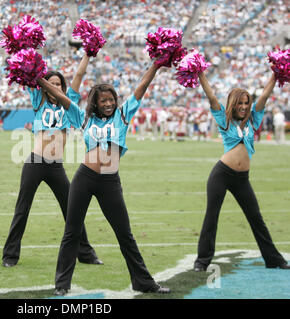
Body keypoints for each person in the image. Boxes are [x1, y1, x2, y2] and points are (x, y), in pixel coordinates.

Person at [38, 62, 171, 296]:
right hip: (85, 178)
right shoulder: (82, 117)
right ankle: (61, 285)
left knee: (125, 234)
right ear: (95, 103)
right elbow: (60, 94)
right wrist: (36, 78)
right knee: (72, 232)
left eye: (111, 99)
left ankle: (143, 282)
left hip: (110, 181)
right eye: (103, 101)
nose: (108, 104)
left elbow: (142, 86)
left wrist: (156, 65)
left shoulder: (123, 114)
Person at [2, 54, 102, 267]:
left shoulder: (69, 103)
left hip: (56, 166)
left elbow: (79, 74)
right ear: (45, 86)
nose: (55, 87)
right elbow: (30, 73)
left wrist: (88, 53)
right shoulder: (38, 100)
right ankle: (10, 256)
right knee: (22, 209)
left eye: (59, 84)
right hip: (35, 163)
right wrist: (22, 51)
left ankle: (86, 254)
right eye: (51, 83)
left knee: (71, 209)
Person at [193, 71, 289, 271]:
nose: (244, 107)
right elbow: (211, 96)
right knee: (212, 216)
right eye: (240, 103)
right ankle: (202, 262)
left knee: (256, 217)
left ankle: (274, 260)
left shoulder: (254, 119)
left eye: (246, 103)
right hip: (221, 175)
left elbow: (263, 97)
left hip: (242, 179)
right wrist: (200, 73)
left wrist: (275, 74)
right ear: (233, 104)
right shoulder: (223, 118)